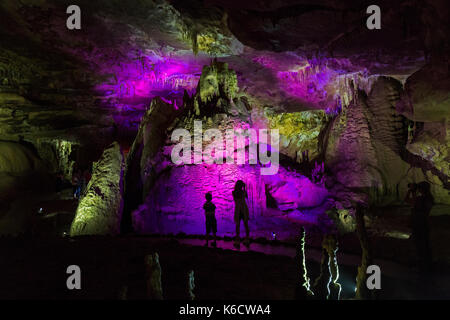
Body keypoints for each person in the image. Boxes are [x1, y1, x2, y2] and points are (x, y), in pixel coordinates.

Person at [405, 181, 434, 273]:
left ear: (421, 189)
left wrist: (410, 191)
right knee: (425, 244)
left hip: (418, 224)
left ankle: (422, 266)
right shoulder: (429, 198)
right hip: (424, 224)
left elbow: (407, 200)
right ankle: (427, 264)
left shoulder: (421, 199)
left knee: (419, 245)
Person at [233, 180, 250, 247]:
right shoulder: (243, 192)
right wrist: (244, 188)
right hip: (243, 209)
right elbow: (246, 197)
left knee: (238, 225)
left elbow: (239, 196)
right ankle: (247, 239)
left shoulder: (234, 192)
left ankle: (238, 240)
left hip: (239, 210)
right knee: (245, 224)